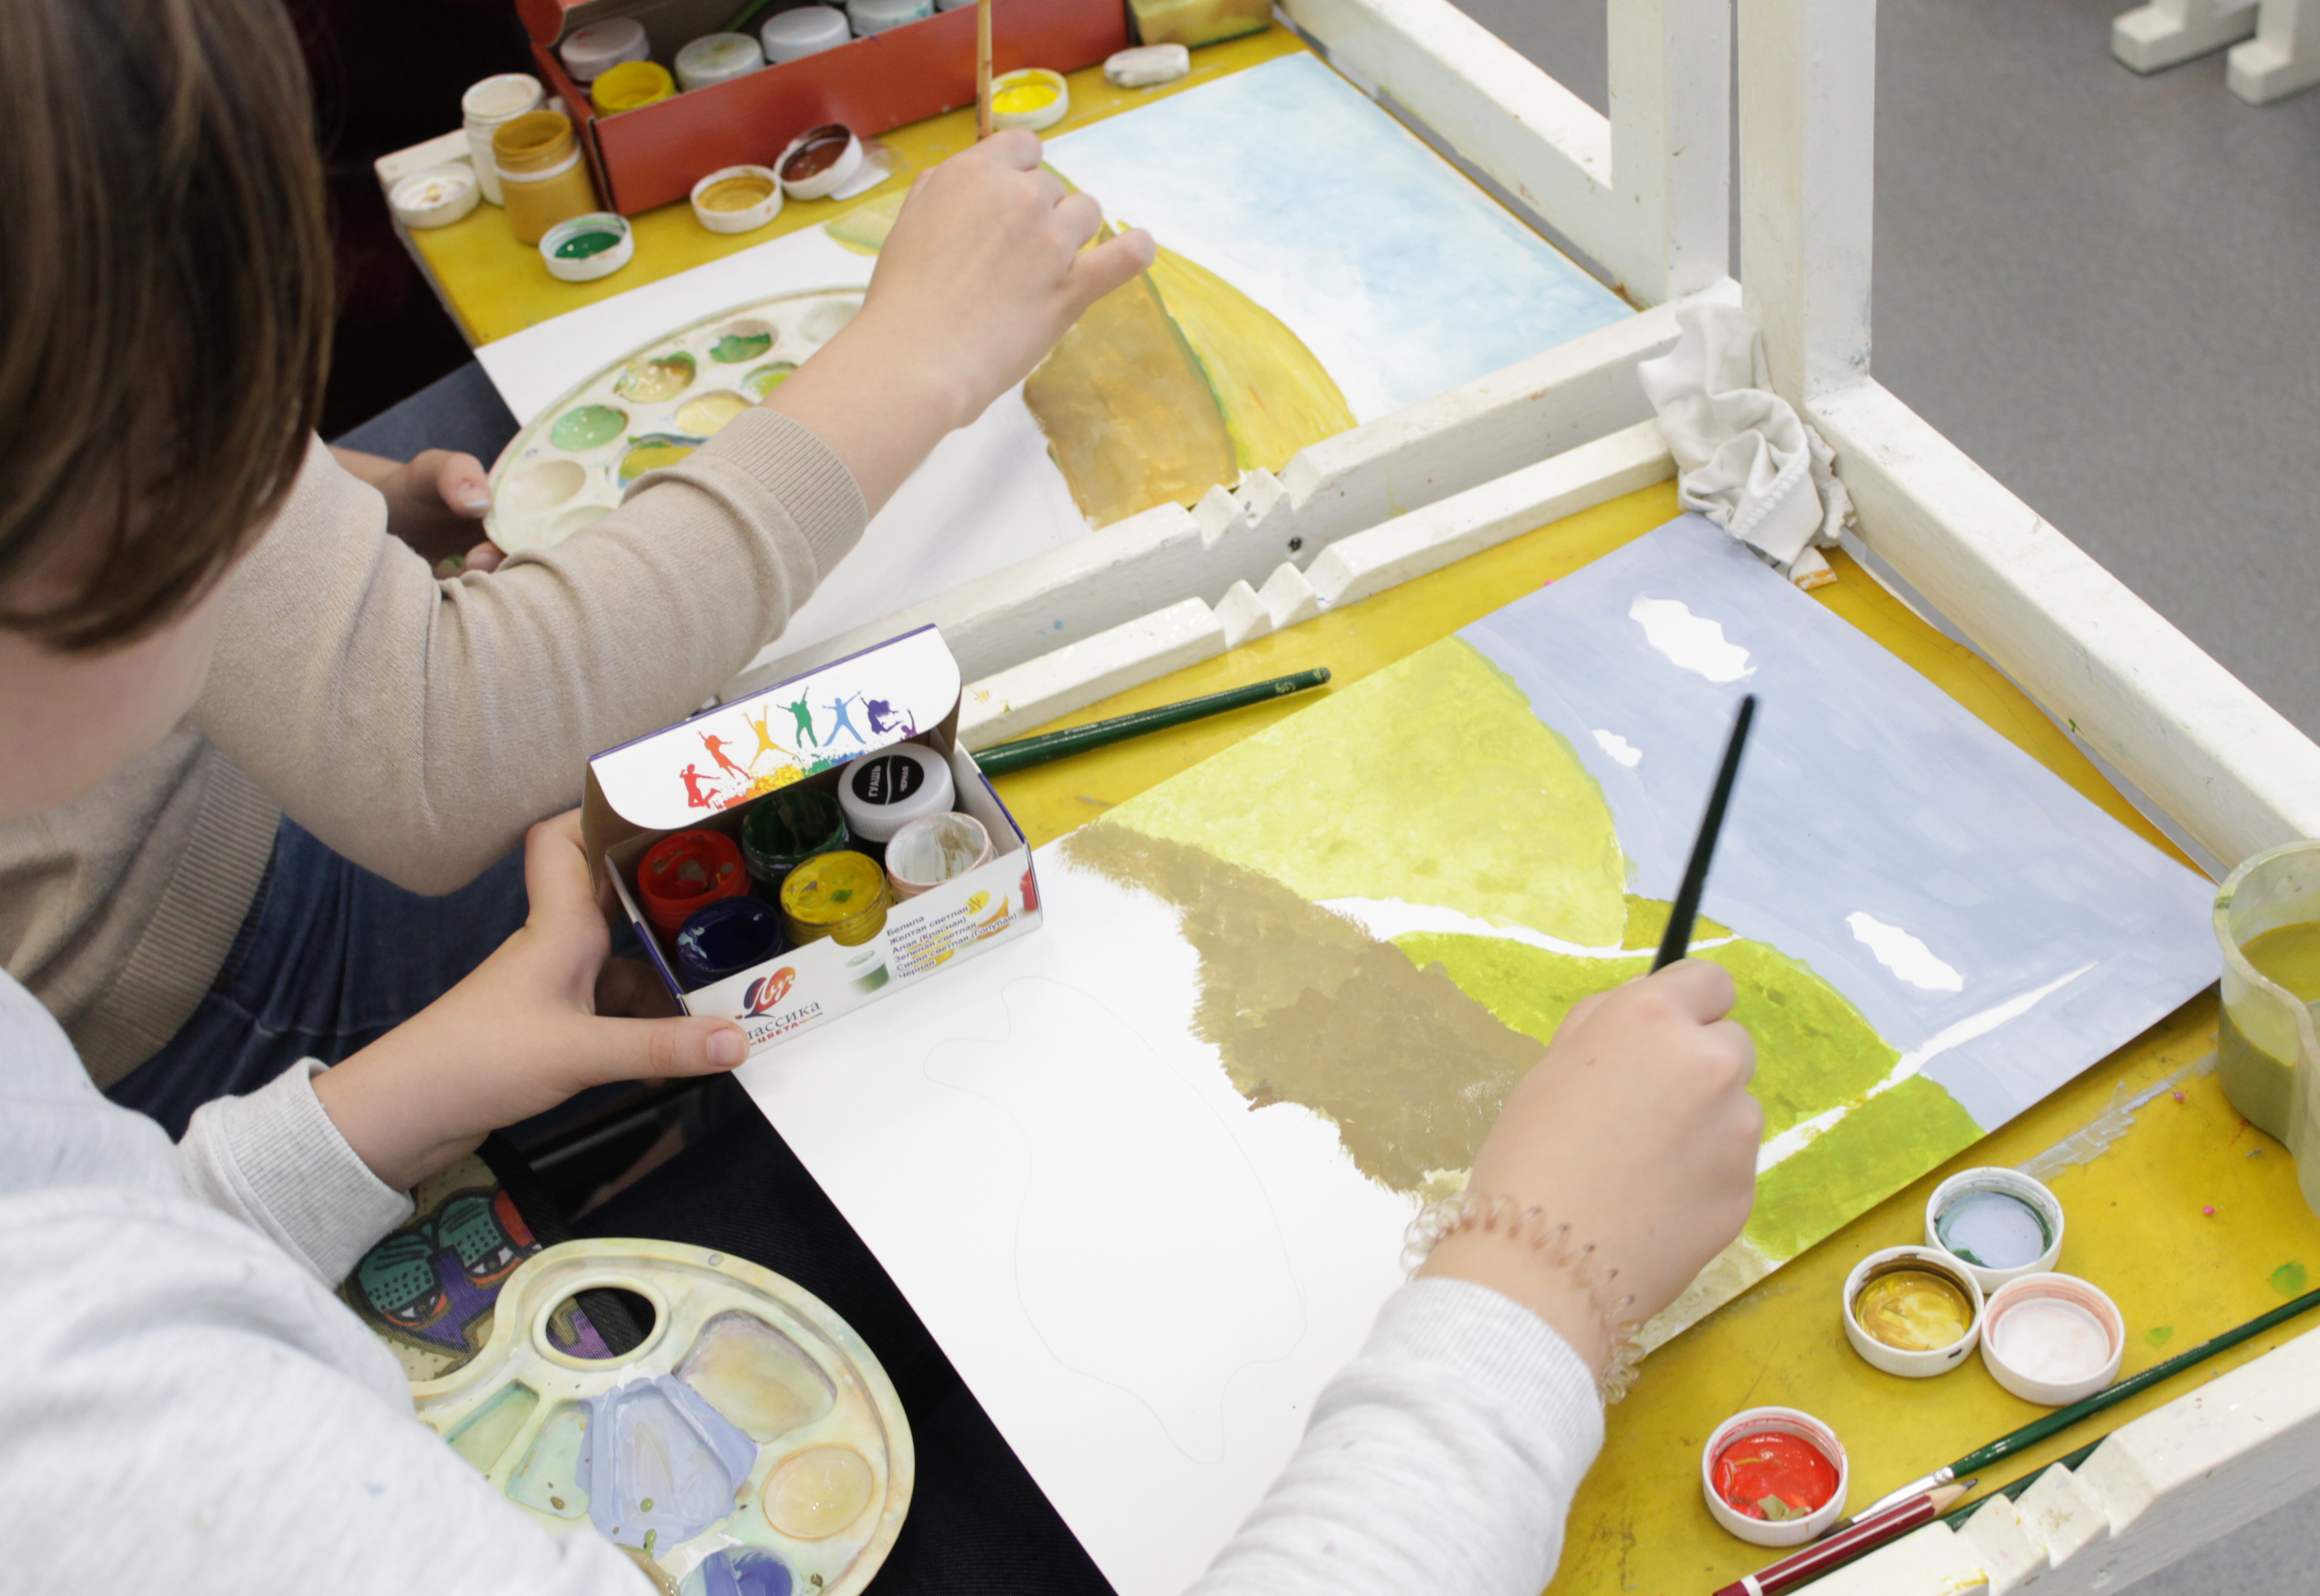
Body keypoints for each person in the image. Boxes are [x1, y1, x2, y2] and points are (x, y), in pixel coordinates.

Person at [0, 1, 1765, 1590]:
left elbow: (113, 1216)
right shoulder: (112, 1433)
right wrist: (1538, 1286)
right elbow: (438, 745)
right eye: (235, 431)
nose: (283, 499)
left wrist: (380, 1108)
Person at [0, 13, 1154, 1139]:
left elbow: (142, 415)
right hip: (200, 948)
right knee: (901, 828)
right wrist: (923, 353)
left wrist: (333, 506)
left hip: (188, 748)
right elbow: (444, 747)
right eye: (192, 452)